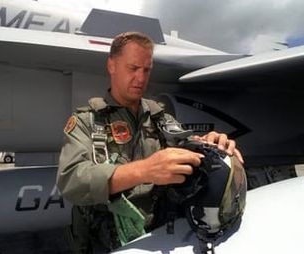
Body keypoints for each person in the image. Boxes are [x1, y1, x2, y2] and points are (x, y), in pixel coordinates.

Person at [57, 31, 244, 253]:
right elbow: (70, 181)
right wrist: (145, 170)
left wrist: (208, 145)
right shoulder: (86, 121)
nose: (141, 78)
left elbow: (184, 146)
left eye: (146, 70)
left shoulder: (160, 117)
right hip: (107, 245)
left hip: (159, 239)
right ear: (112, 66)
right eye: (133, 68)